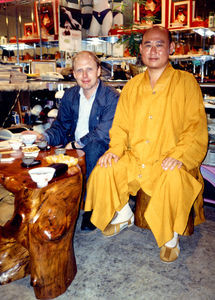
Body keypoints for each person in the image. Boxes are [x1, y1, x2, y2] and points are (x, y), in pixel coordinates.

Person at [84, 26, 208, 262]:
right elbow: (119, 126)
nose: (153, 50)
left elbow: (196, 127)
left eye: (159, 45)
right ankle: (123, 213)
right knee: (104, 169)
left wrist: (180, 155)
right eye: (148, 45)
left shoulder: (186, 82)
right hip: (136, 157)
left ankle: (170, 236)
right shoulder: (131, 87)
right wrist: (114, 150)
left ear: (171, 48)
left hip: (168, 157)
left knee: (173, 178)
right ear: (140, 49)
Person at [29, 51, 119, 231]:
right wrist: (44, 136)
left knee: (92, 148)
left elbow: (103, 133)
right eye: (79, 71)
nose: (84, 76)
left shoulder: (112, 97)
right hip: (73, 145)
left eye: (89, 69)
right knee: (43, 156)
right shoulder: (70, 95)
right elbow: (61, 127)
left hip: (101, 148)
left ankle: (90, 206)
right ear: (74, 74)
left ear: (98, 71)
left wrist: (77, 145)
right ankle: (55, 202)